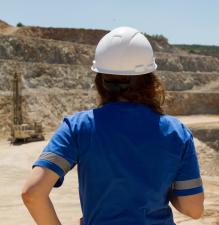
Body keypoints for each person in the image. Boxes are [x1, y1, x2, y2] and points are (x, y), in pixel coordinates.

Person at [21, 27, 204, 225]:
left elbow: (32, 193)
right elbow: (193, 208)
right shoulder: (177, 133)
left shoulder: (78, 127)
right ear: (149, 79)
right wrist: (164, 190)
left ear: (100, 79)